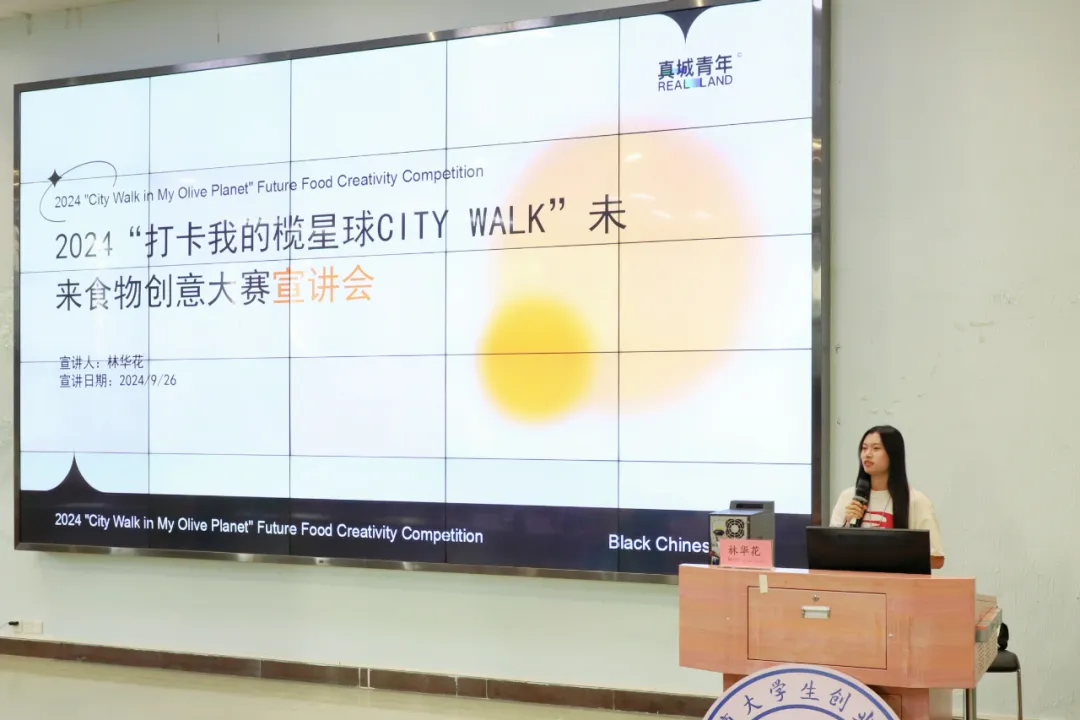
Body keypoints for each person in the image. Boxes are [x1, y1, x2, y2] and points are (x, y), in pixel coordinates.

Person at [829, 425, 945, 569]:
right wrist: (846, 524)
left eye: (876, 448)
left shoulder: (916, 501)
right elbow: (830, 552)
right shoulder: (848, 497)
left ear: (893, 454)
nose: (867, 454)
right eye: (864, 448)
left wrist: (890, 557)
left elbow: (936, 559)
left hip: (897, 583)